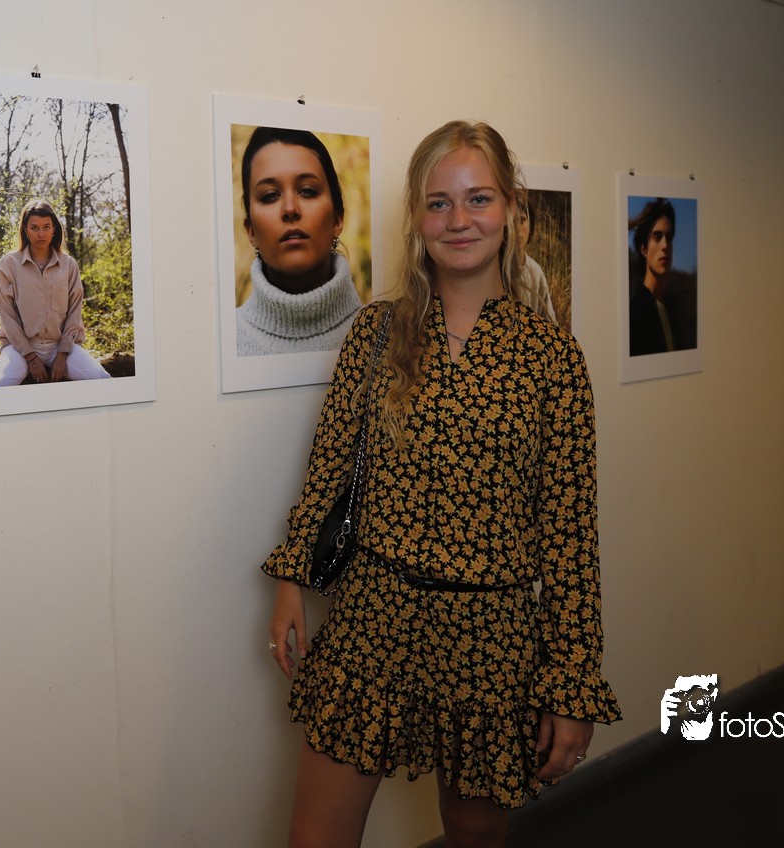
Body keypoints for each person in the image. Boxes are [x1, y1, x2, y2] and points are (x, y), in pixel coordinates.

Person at [263, 121, 620, 848]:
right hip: (373, 620)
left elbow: (570, 537)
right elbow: (329, 466)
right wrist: (292, 581)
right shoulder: (376, 333)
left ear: (511, 208)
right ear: (418, 217)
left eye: (478, 198)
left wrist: (572, 683)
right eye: (439, 203)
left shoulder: (552, 359)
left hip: (491, 638)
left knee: (471, 830)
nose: (459, 220)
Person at [236, 127, 363, 356]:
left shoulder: (388, 337)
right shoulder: (224, 342)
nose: (290, 209)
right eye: (270, 196)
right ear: (251, 231)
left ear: (337, 219)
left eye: (307, 191)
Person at [0, 199, 111, 386]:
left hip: (61, 347)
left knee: (104, 382)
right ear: (25, 230)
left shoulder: (69, 265)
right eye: (34, 228)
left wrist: (62, 353)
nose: (41, 233)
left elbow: (74, 312)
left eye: (46, 227)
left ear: (54, 229)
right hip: (19, 348)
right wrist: (30, 356)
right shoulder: (9, 264)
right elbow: (7, 316)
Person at [627, 197, 685, 355]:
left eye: (669, 238)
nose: (665, 246)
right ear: (644, 249)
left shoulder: (674, 310)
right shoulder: (635, 312)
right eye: (657, 237)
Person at [513, 188, 557, 322]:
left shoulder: (535, 272)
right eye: (511, 221)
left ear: (530, 226)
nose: (517, 228)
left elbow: (551, 326)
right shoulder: (490, 271)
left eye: (521, 220)